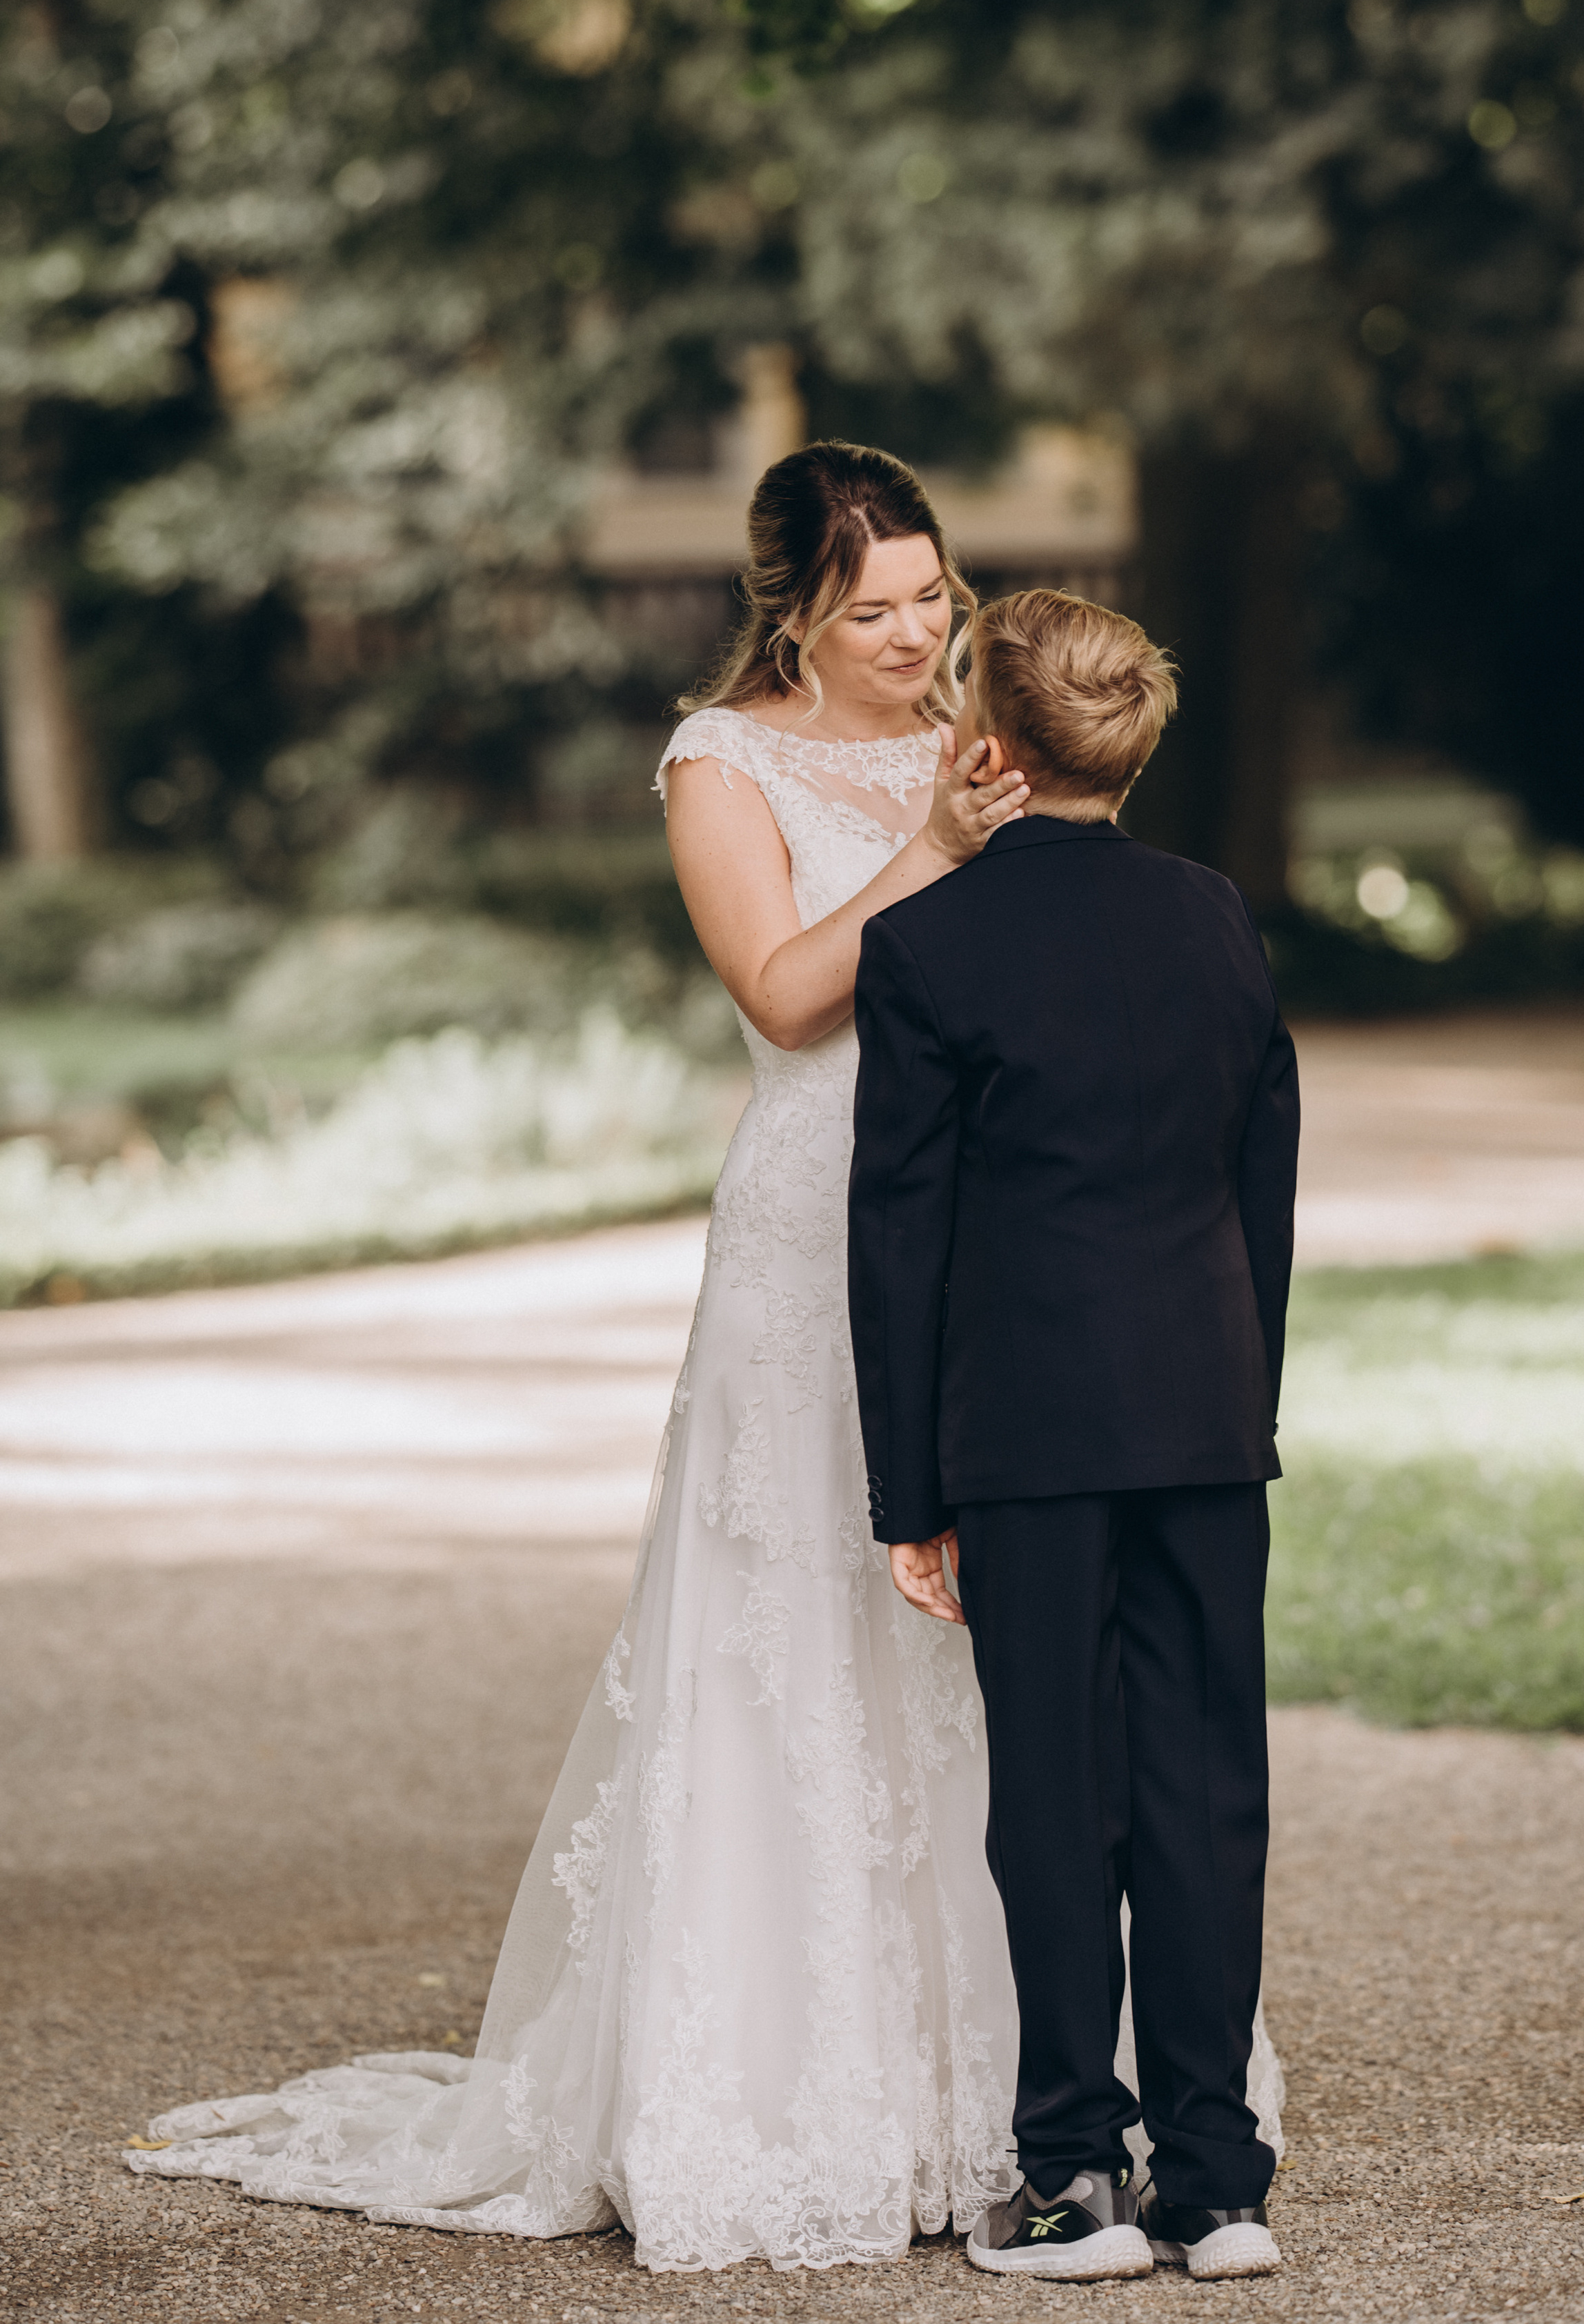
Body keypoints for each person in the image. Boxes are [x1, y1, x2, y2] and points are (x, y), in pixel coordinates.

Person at [123, 446, 1281, 2269]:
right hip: (812, 1233)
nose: (918, 637)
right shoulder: (720, 762)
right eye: (876, 609)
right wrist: (936, 848)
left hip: (1005, 1247)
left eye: (936, 598)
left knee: (1026, 1703)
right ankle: (797, 2083)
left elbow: (1094, 957)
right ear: (795, 614)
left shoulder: (985, 727)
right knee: (806, 1635)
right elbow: (787, 990)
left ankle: (1029, 2101)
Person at [849, 587, 1300, 2284]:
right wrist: (1236, 1402)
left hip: (1024, 1436)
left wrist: (910, 1489)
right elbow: (1261, 1186)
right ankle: (1214, 2183)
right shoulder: (1214, 922)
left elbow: (898, 1235)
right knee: (1205, 1788)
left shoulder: (930, 947)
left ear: (991, 745)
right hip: (1199, 1418)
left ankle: (1066, 2182)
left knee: (1055, 1795)